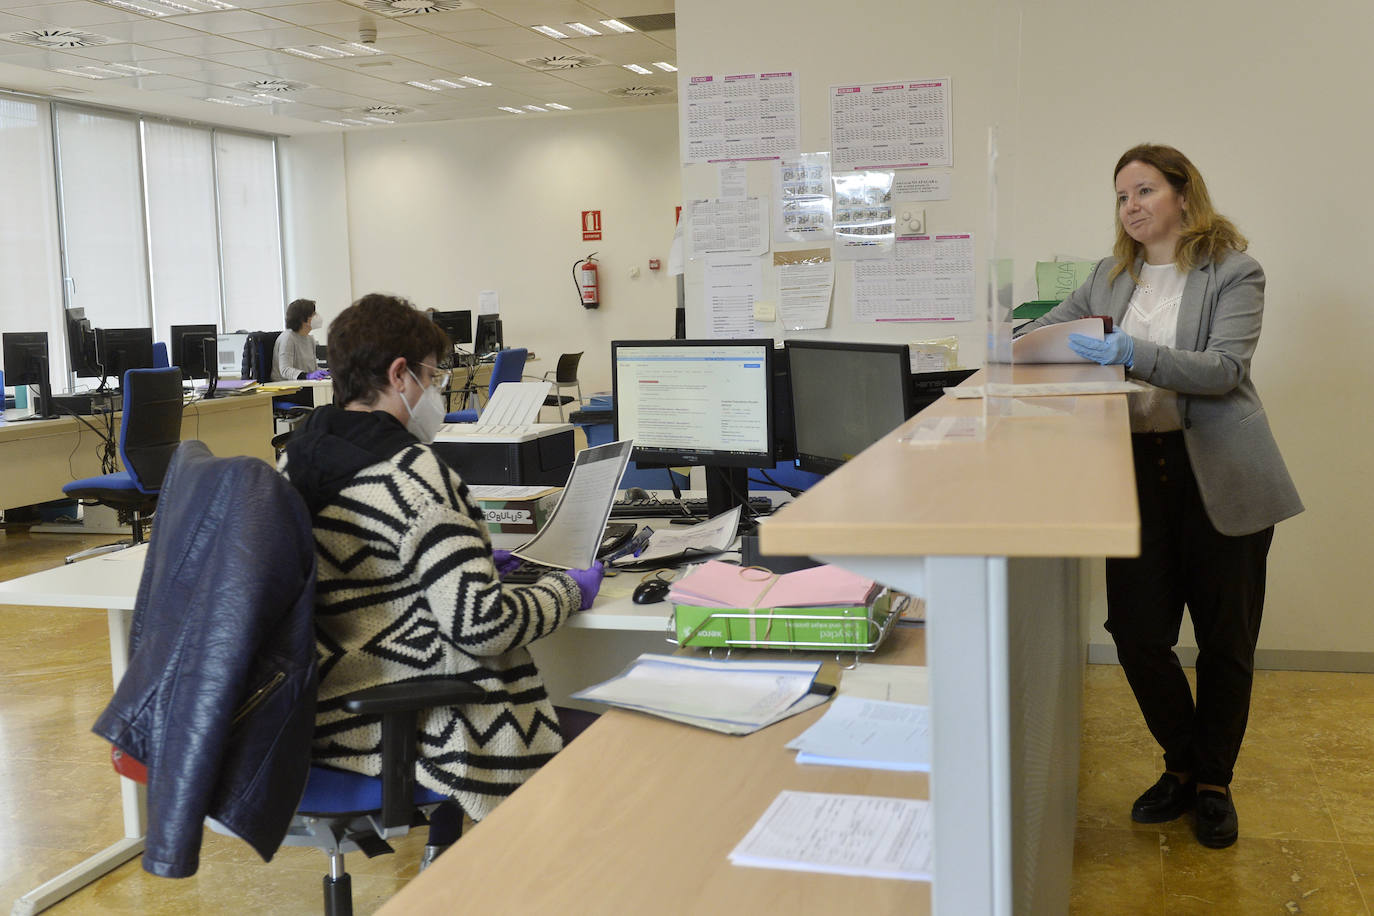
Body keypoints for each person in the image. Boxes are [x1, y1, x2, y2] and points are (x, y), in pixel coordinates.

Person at [1019, 144, 1303, 849]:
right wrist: (1015, 341)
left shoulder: (1234, 271)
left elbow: (1224, 369)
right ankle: (1181, 760)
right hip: (1137, 471)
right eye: (1121, 197)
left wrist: (1131, 355)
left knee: (1224, 642)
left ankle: (1211, 782)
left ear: (1183, 194)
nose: (1131, 207)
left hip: (1220, 475)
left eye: (1144, 190)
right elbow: (1046, 333)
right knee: (1138, 633)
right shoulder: (1111, 276)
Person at [280, 293, 604, 867]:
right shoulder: (415, 475)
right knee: (612, 735)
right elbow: (482, 626)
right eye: (434, 374)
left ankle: (445, 863)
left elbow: (361, 581)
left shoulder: (297, 457)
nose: (438, 389)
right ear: (399, 375)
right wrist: (567, 590)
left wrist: (467, 565)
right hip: (409, 728)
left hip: (312, 719)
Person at [273, 297, 329, 381]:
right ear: (302, 319)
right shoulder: (288, 338)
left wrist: (328, 372)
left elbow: (313, 369)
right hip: (287, 389)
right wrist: (307, 376)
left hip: (303, 385)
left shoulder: (310, 339)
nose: (317, 316)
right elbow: (285, 370)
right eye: (313, 314)